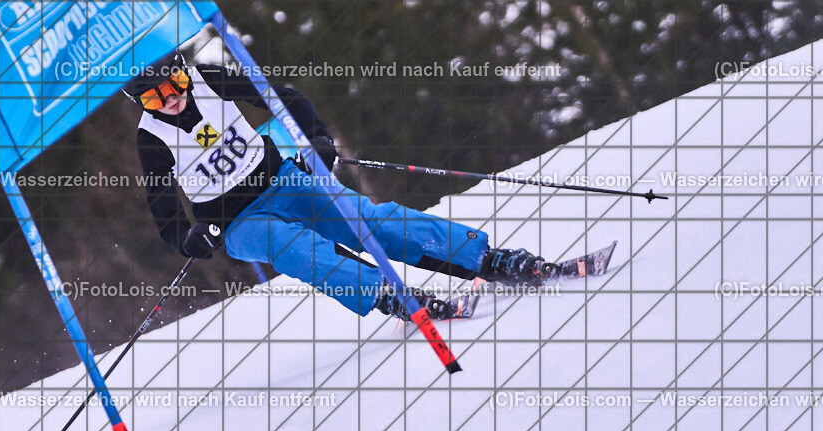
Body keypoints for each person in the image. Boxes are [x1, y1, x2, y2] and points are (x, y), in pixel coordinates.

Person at [126, 51, 565, 320]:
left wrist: (318, 139)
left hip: (282, 180)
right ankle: (387, 295)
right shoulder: (152, 139)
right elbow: (164, 209)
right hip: (236, 221)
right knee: (295, 248)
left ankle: (484, 258)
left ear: (183, 73)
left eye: (174, 84)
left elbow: (284, 97)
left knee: (366, 221)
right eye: (153, 97)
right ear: (141, 102)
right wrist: (189, 239)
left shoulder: (209, 79)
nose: (171, 99)